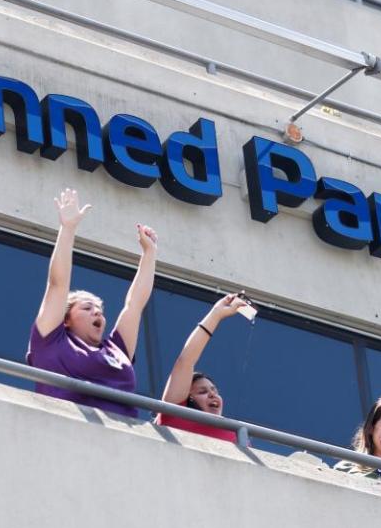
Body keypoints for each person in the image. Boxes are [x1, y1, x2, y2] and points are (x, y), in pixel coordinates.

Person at [26, 188, 156, 418]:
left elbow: (135, 304)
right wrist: (68, 228)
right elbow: (57, 284)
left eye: (99, 310)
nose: (97, 313)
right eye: (87, 308)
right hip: (67, 433)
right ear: (66, 319)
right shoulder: (50, 341)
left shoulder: (116, 349)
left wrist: (150, 253)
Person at [157, 292, 250, 442]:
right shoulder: (174, 413)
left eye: (214, 391)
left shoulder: (236, 434)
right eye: (202, 391)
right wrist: (216, 314)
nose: (213, 395)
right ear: (188, 399)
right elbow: (186, 360)